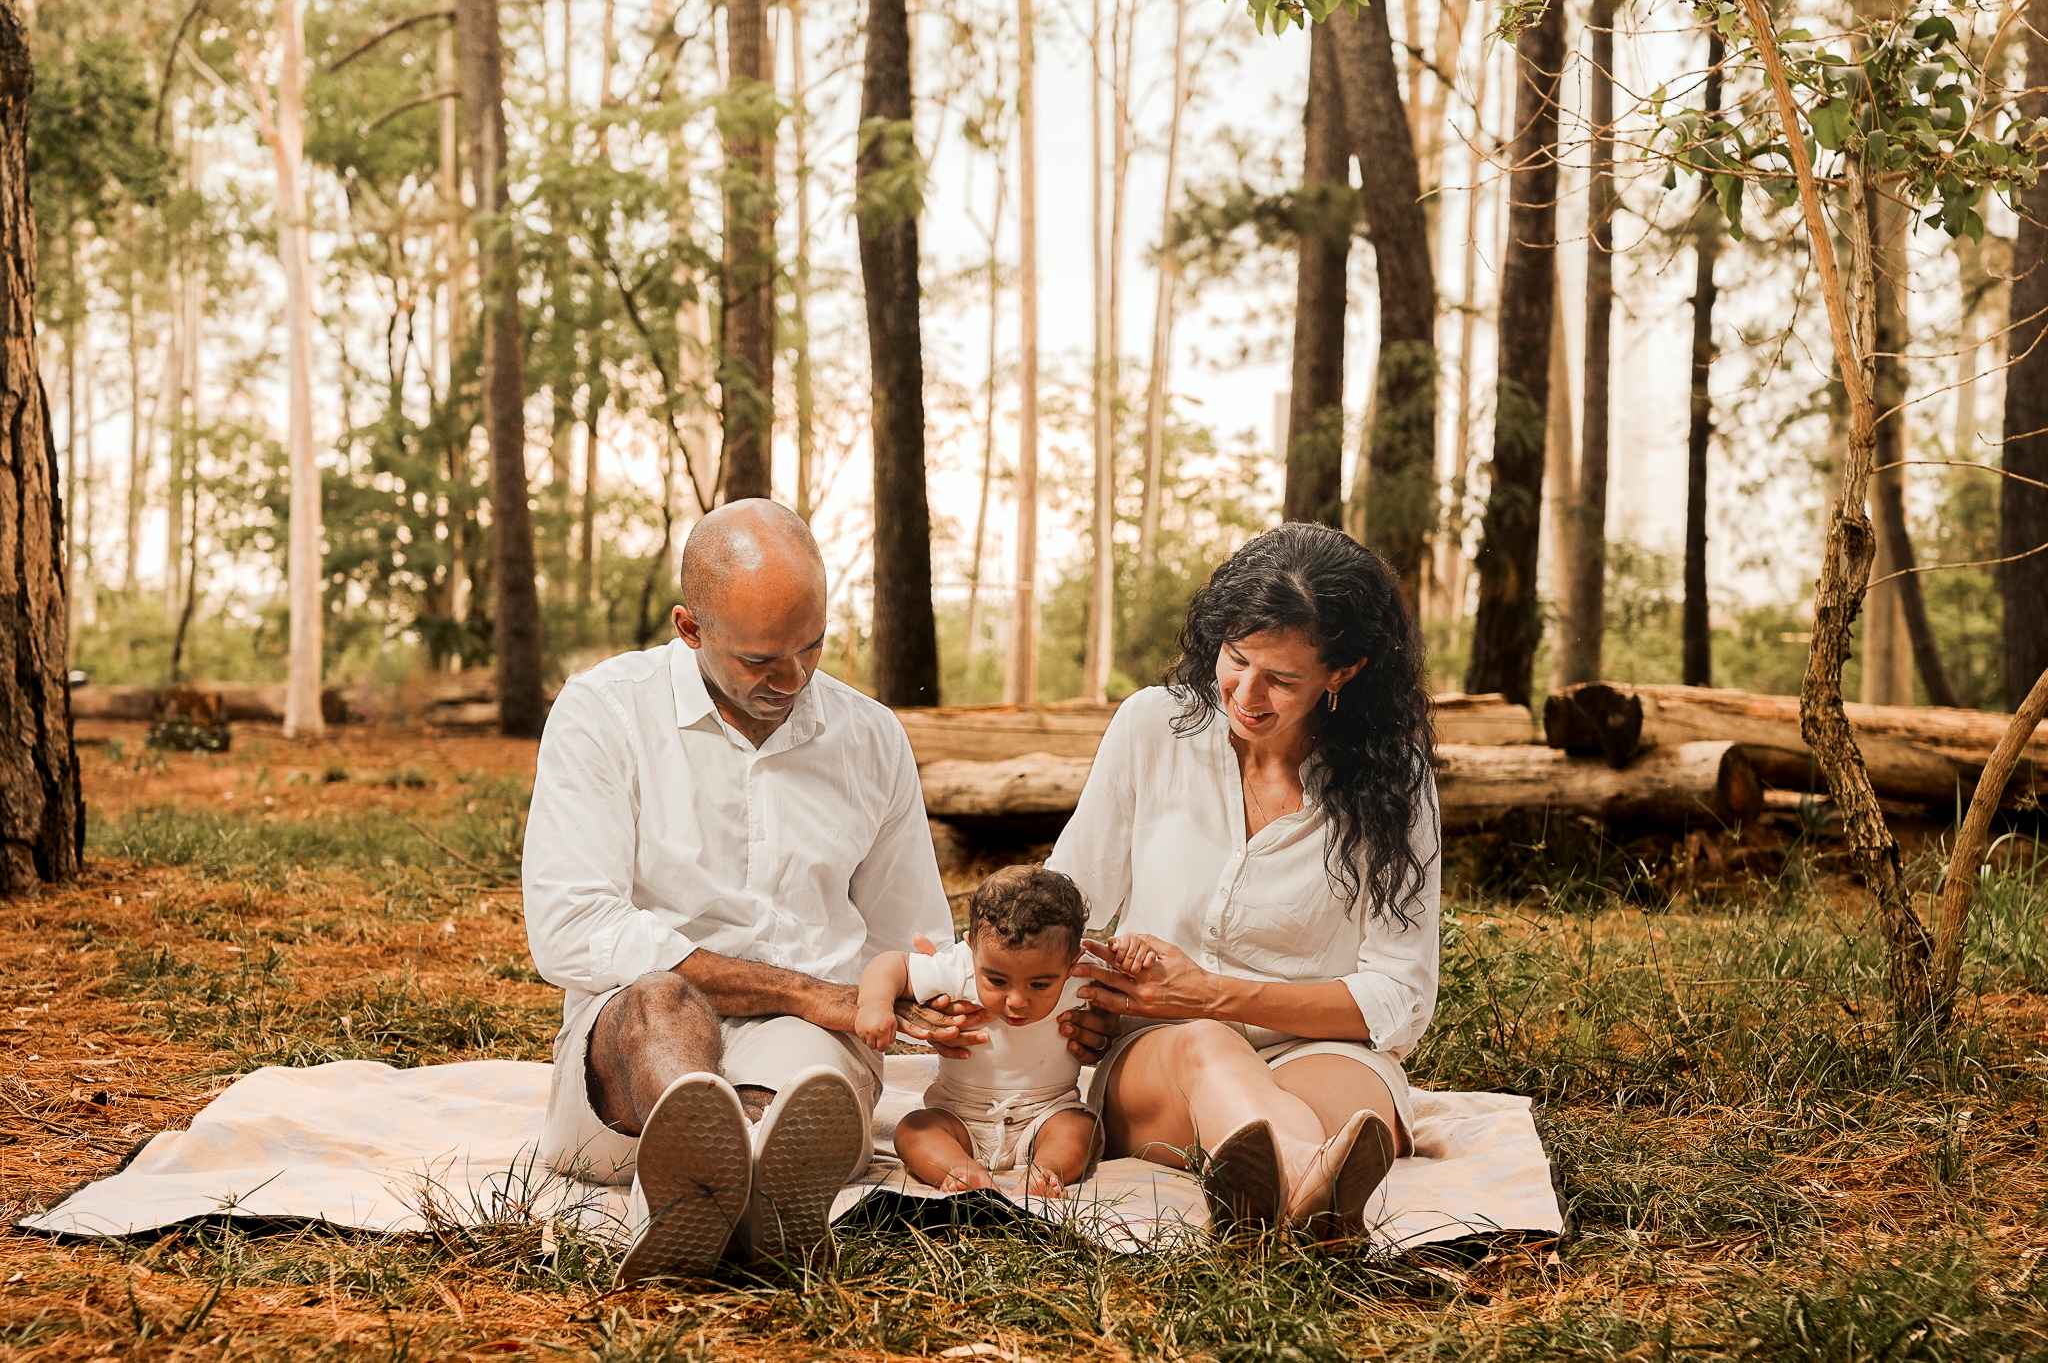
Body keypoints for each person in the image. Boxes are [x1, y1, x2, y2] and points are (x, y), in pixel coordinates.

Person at [523, 499, 984, 1284]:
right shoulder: (604, 712)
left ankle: (720, 1194)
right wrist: (809, 992)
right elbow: (569, 928)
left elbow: (909, 938)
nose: (795, 678)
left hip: (807, 1049)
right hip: (633, 1063)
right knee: (658, 1004)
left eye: (813, 646)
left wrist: (939, 992)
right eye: (762, 659)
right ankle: (711, 1179)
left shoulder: (870, 737)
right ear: (689, 628)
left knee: (809, 1077)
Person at [1047, 522, 1442, 1235]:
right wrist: (1061, 1000)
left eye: (1282, 679)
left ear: (1343, 671)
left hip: (1317, 1050)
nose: (1246, 693)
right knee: (1210, 1045)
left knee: (1360, 1106)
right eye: (1235, 659)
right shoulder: (1150, 727)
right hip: (1164, 1051)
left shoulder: (1394, 781)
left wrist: (1217, 990)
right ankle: (1311, 1193)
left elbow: (1401, 995)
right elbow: (1064, 905)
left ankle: (1275, 1191)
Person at [855, 865, 1108, 1197]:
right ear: (972, 946)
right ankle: (961, 1169)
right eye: (997, 981)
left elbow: (1122, 996)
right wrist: (875, 1004)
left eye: (1040, 984)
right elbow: (893, 965)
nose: (1016, 1001)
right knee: (913, 1130)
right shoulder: (960, 968)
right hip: (958, 1115)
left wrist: (1108, 1022)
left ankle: (1045, 1171)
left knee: (1080, 1128)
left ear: (1072, 961)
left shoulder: (1084, 978)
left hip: (1046, 1112)